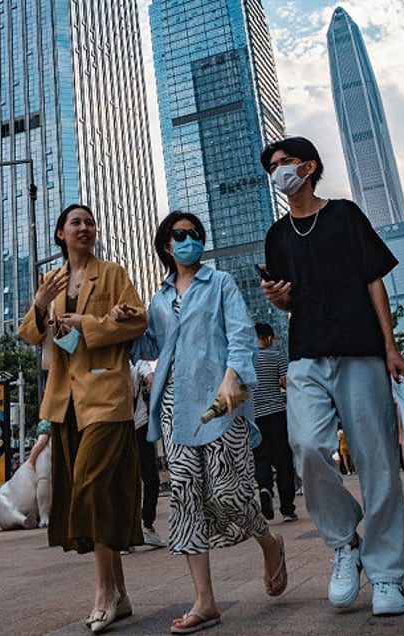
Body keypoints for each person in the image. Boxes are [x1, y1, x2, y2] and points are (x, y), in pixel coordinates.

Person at [260, 136, 404, 616]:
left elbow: (373, 279)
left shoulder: (345, 215)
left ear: (309, 167)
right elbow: (288, 302)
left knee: (377, 461)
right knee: (305, 446)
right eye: (273, 166)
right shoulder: (276, 235)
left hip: (361, 350)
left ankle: (386, 575)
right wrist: (278, 299)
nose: (279, 170)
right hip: (305, 352)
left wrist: (390, 346)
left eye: (286, 162)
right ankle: (345, 542)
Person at [124, 211, 287, 634]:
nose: (189, 240)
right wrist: (127, 325)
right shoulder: (158, 300)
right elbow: (147, 347)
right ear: (166, 245)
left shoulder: (220, 283)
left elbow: (240, 335)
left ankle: (270, 544)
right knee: (186, 500)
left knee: (231, 492)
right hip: (176, 407)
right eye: (180, 235)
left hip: (219, 401)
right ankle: (206, 601)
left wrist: (234, 378)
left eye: (195, 234)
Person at [18, 203, 147, 634]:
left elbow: (138, 321)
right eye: (76, 222)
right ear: (60, 234)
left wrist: (88, 322)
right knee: (94, 492)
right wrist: (39, 302)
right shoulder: (51, 282)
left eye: (90, 222)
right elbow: (29, 335)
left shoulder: (112, 274)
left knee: (91, 485)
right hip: (66, 401)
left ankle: (103, 592)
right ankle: (122, 594)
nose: (85, 227)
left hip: (106, 394)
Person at [250, 322, 297, 523]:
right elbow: (286, 383)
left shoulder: (247, 359)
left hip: (254, 417)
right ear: (268, 338)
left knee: (261, 458)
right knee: (283, 460)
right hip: (277, 414)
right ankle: (287, 508)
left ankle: (265, 488)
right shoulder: (276, 355)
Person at [131, 359, 167, 547]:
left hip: (116, 429)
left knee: (125, 481)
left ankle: (126, 535)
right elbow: (152, 378)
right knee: (151, 478)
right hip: (139, 427)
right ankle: (147, 526)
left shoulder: (106, 360)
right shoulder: (137, 363)